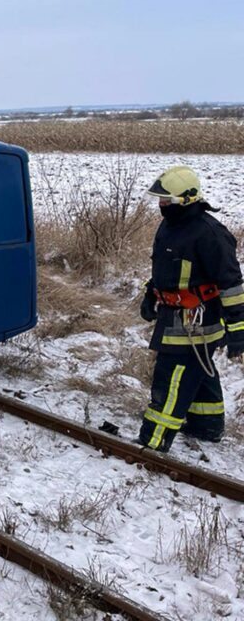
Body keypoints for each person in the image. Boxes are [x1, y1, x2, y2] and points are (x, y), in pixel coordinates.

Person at [137, 166, 244, 452]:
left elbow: (231, 285)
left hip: (195, 323)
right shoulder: (171, 227)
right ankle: (206, 426)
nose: (161, 205)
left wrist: (237, 330)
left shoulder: (210, 234)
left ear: (187, 198)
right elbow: (164, 268)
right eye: (160, 199)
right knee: (199, 372)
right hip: (172, 316)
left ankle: (154, 439)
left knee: (172, 378)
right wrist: (151, 294)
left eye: (166, 200)